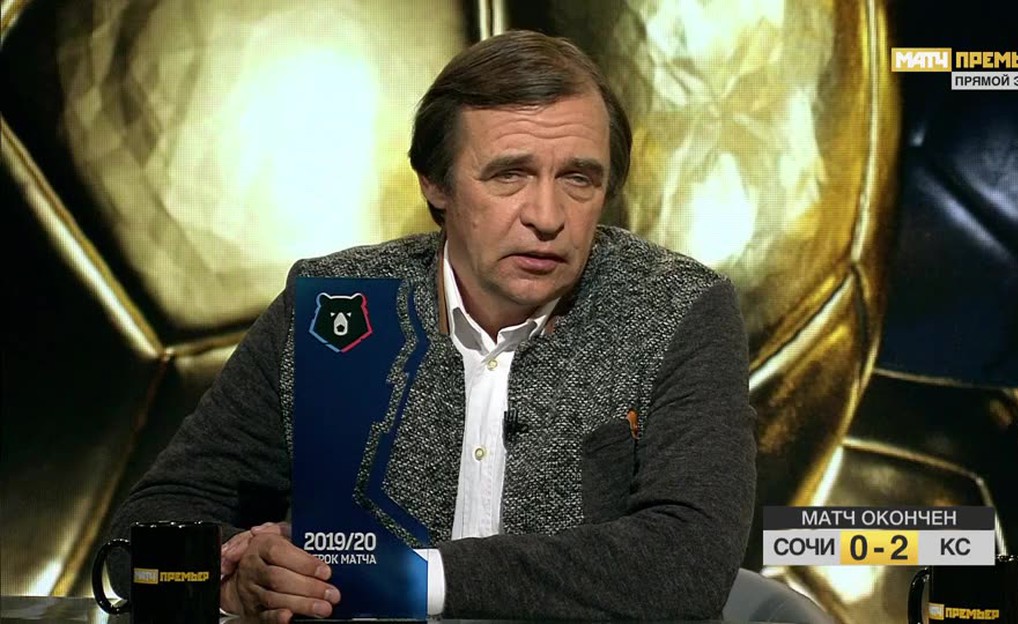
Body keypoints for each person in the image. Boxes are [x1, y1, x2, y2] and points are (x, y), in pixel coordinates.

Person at [108, 29, 756, 622]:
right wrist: (236, 582)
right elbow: (144, 533)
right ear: (435, 184)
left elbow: (688, 560)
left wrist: (410, 579)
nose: (547, 215)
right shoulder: (336, 304)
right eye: (510, 175)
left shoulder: (677, 309)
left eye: (578, 179)